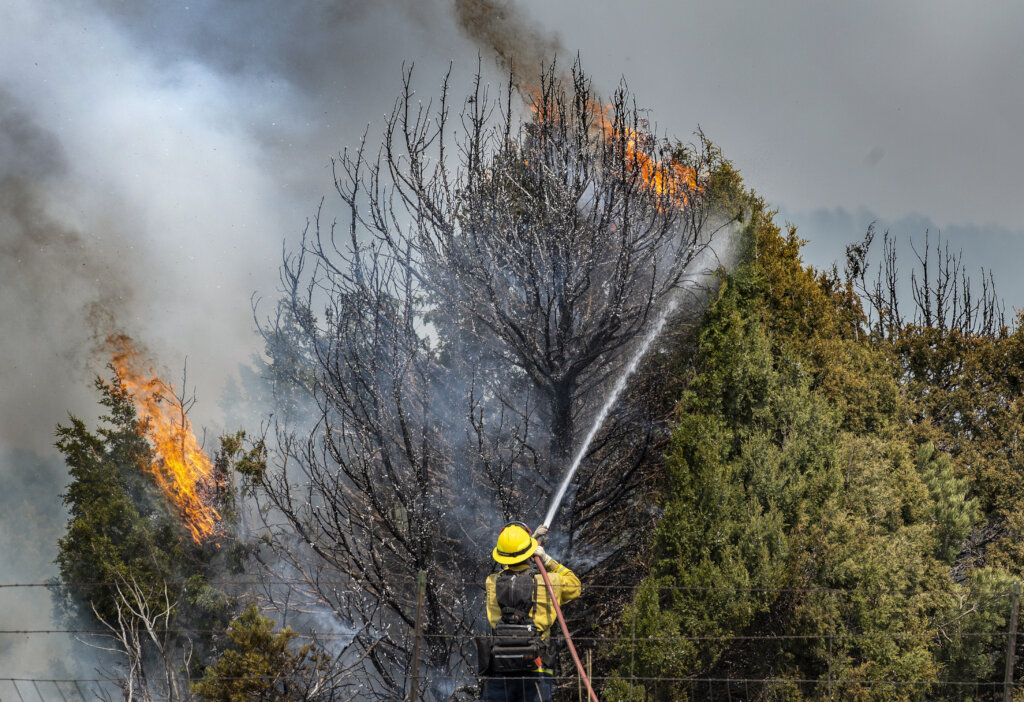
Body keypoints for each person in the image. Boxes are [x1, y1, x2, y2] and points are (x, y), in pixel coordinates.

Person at [481, 522, 581, 702]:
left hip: (501, 664)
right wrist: (547, 560)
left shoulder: (492, 582)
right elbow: (575, 585)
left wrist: (527, 545)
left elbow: (509, 574)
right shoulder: (549, 581)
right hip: (536, 666)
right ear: (530, 552)